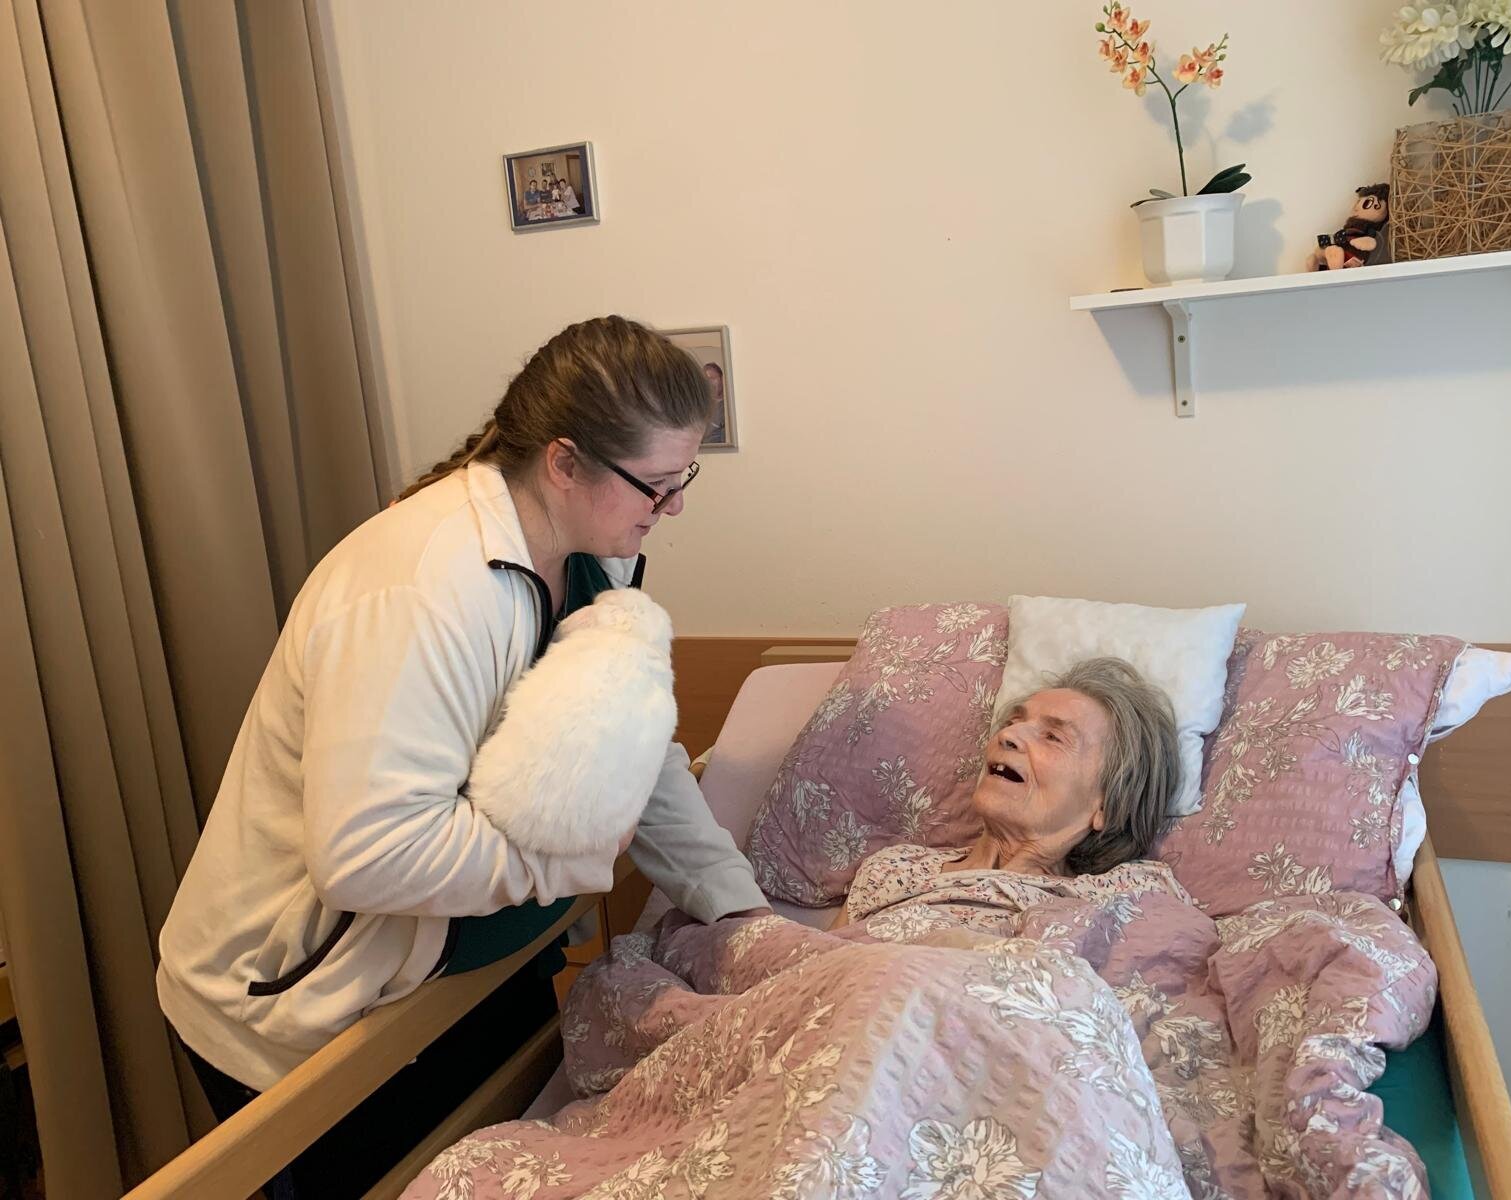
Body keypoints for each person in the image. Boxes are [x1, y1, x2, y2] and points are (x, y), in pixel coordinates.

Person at [157, 315, 769, 1197]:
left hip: (450, 960)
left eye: (685, 480)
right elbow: (369, 855)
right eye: (657, 484)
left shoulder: (595, 559)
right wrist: (575, 859)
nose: (673, 507)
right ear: (564, 463)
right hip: (300, 1001)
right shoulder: (422, 591)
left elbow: (633, 748)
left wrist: (735, 907)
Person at [831, 657, 1182, 931]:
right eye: (1013, 722)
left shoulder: (1135, 892)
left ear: (1107, 803)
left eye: (1053, 737)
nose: (1007, 736)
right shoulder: (893, 870)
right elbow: (813, 968)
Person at [701, 361, 727, 444]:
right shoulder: (701, 408)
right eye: (706, 380)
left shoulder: (728, 407)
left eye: (712, 378)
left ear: (722, 379)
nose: (709, 383)